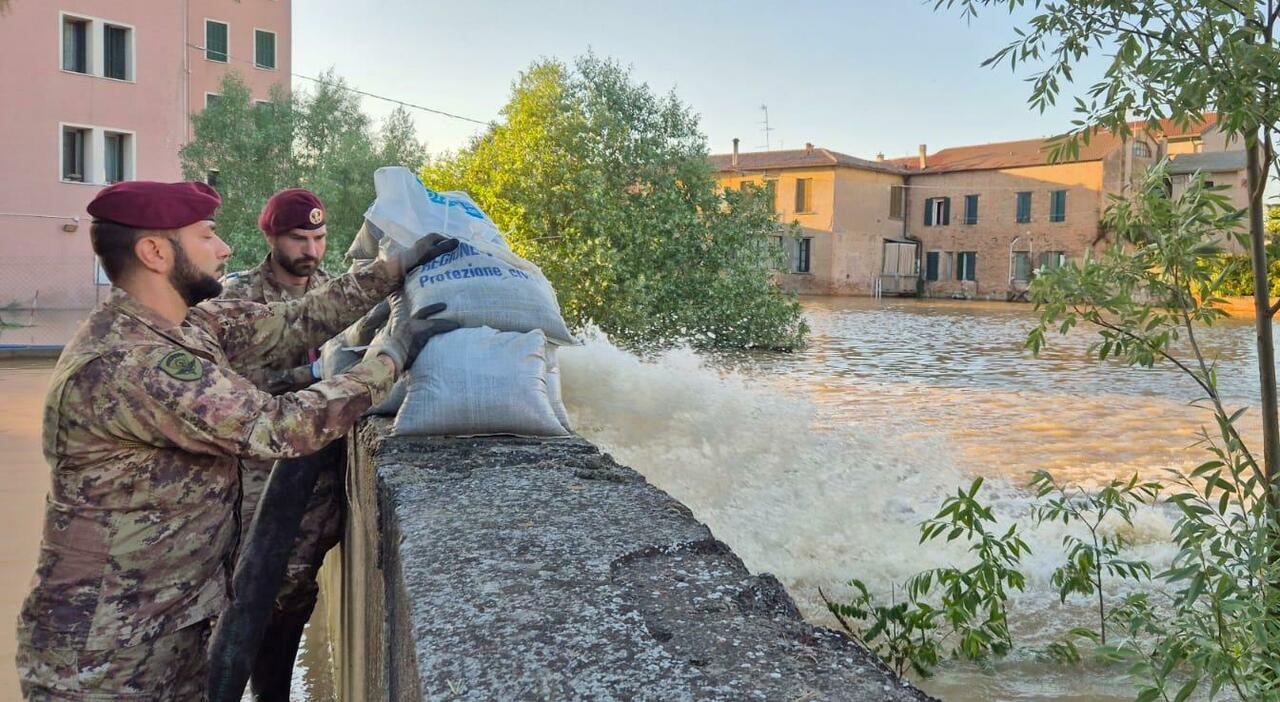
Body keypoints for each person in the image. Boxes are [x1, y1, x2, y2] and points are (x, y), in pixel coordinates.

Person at [15, 181, 457, 701]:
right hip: (106, 658)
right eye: (207, 236)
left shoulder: (188, 324)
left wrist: (394, 268)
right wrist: (389, 359)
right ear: (156, 252)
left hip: (167, 628)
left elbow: (299, 319)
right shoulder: (132, 363)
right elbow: (279, 426)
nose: (224, 249)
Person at [217, 188, 352, 700]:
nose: (311, 250)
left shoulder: (339, 295)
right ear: (271, 236)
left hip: (319, 479)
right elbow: (236, 389)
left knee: (296, 591)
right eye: (299, 238)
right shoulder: (236, 300)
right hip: (257, 480)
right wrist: (313, 372)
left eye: (318, 238)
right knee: (250, 592)